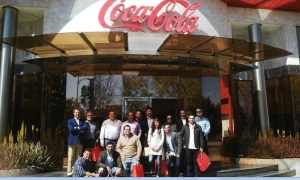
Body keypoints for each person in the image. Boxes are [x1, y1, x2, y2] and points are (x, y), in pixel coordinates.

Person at [67, 107, 88, 176]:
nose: (77, 113)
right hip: (72, 141)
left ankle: (77, 171)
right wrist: (80, 130)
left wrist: (77, 128)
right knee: (71, 157)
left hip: (80, 141)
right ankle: (69, 172)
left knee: (78, 157)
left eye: (78, 112)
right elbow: (71, 129)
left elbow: (86, 127)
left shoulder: (82, 121)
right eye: (76, 112)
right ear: (74, 113)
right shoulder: (70, 121)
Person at [176, 109, 187, 176]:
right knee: (181, 155)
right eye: (181, 113)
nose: (182, 114)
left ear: (185, 113)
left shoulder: (188, 120)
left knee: (186, 157)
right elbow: (177, 130)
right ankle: (181, 170)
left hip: (187, 139)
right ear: (180, 114)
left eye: (183, 113)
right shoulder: (178, 121)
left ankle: (186, 172)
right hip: (180, 140)